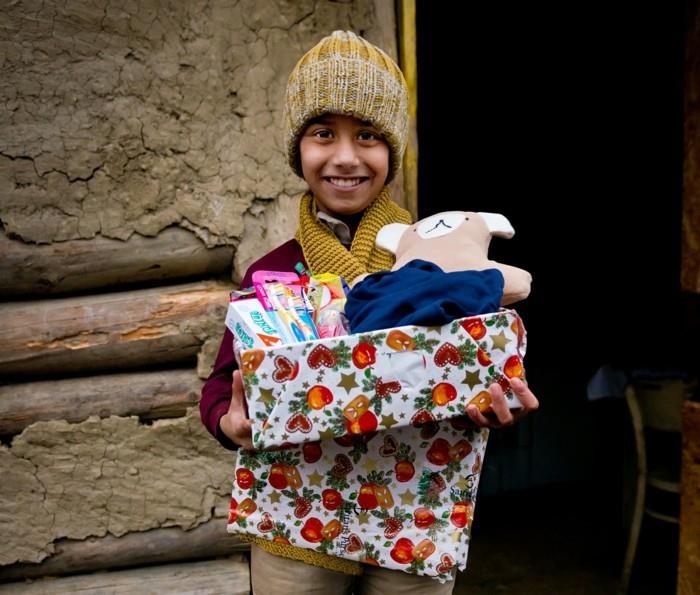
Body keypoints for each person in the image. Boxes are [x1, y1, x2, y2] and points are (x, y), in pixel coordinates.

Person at [200, 30, 539, 595]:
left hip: (414, 514)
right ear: (297, 149)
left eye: (369, 136)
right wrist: (228, 420)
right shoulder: (271, 274)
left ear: (393, 150)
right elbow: (221, 385)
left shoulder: (440, 258)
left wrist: (492, 400)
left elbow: (475, 365)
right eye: (322, 133)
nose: (345, 157)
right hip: (298, 522)